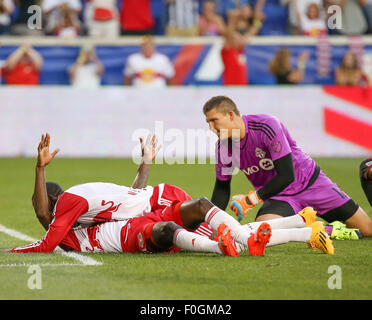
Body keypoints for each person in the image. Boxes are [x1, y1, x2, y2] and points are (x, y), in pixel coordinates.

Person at [202, 95, 372, 238]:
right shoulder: (223, 147)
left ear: (230, 115)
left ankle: (310, 222)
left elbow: (286, 175)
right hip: (280, 198)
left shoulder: (265, 126)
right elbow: (222, 188)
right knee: (262, 228)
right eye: (208, 122)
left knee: (367, 230)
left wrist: (250, 200)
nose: (211, 127)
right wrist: (216, 223)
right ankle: (327, 230)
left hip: (313, 184)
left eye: (214, 120)